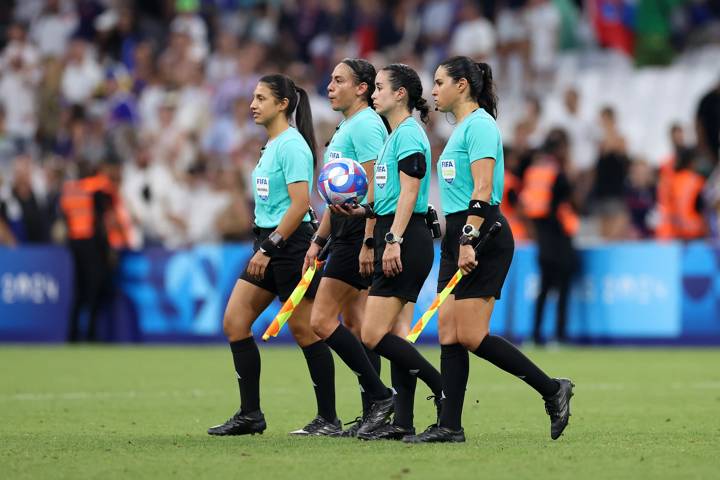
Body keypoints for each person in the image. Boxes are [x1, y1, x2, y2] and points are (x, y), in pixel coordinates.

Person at [404, 56, 573, 444]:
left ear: (462, 85)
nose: (433, 90)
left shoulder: (480, 126)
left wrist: (466, 237)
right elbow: (458, 191)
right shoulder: (462, 130)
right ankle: (450, 425)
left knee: (473, 335)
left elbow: (482, 190)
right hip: (458, 233)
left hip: (482, 234)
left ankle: (552, 390)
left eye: (439, 82)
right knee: (449, 332)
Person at [207, 74, 337, 436]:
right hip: (268, 242)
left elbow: (300, 205)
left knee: (305, 330)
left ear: (283, 104)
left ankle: (329, 418)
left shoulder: (292, 146)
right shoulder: (271, 145)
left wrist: (270, 247)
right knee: (235, 322)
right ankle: (251, 415)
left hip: (289, 245)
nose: (253, 104)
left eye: (261, 98)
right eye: (253, 96)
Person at [333, 63, 443, 440]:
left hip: (405, 238)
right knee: (396, 334)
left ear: (401, 94)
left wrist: (392, 238)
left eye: (379, 88)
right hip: (391, 233)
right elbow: (387, 197)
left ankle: (440, 386)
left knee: (372, 333)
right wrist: (359, 211)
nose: (373, 94)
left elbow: (410, 194)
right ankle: (403, 424)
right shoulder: (392, 137)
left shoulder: (410, 134)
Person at [305, 58, 413, 437]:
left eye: (339, 80)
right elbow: (337, 194)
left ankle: (381, 396)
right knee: (356, 324)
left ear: (362, 87)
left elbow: (375, 188)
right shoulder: (347, 125)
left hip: (357, 234)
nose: (330, 86)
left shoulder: (367, 125)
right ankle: (374, 411)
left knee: (321, 321)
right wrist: (319, 239)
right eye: (330, 80)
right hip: (344, 232)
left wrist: (369, 240)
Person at [521, 129, 579, 345]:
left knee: (544, 289)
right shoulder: (559, 173)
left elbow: (528, 206)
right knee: (562, 289)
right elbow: (573, 202)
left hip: (543, 238)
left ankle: (535, 335)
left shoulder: (534, 172)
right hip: (560, 238)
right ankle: (560, 335)